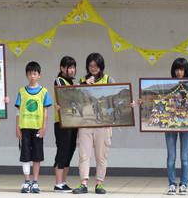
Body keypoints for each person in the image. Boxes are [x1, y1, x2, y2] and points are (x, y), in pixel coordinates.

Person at [138, 57, 188, 195]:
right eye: (177, 69)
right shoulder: (170, 85)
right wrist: (142, 102)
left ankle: (184, 185)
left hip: (187, 125)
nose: (179, 72)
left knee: (185, 157)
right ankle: (171, 184)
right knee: (171, 156)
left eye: (182, 69)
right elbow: (155, 99)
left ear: (186, 70)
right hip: (170, 125)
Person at [73, 52, 124, 195]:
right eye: (90, 65)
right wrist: (84, 85)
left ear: (101, 66)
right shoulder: (82, 80)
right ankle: (83, 183)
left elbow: (117, 99)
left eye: (95, 65)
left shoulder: (108, 79)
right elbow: (73, 95)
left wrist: (111, 109)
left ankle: (99, 184)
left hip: (103, 124)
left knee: (101, 155)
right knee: (84, 154)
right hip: (85, 124)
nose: (93, 68)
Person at [15, 61, 52, 193]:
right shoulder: (21, 92)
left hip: (38, 128)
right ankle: (26, 182)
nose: (32, 76)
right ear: (26, 75)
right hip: (24, 128)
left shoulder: (44, 92)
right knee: (25, 155)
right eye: (30, 74)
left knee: (37, 156)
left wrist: (44, 127)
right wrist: (17, 128)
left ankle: (35, 182)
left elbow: (46, 111)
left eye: (35, 74)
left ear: (39, 75)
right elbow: (18, 111)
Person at [53, 56, 78, 192]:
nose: (72, 70)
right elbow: (67, 96)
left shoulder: (73, 83)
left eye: (73, 67)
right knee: (62, 150)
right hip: (62, 122)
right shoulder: (60, 80)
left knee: (70, 150)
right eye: (69, 67)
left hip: (74, 121)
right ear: (62, 68)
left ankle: (63, 182)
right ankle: (58, 184)